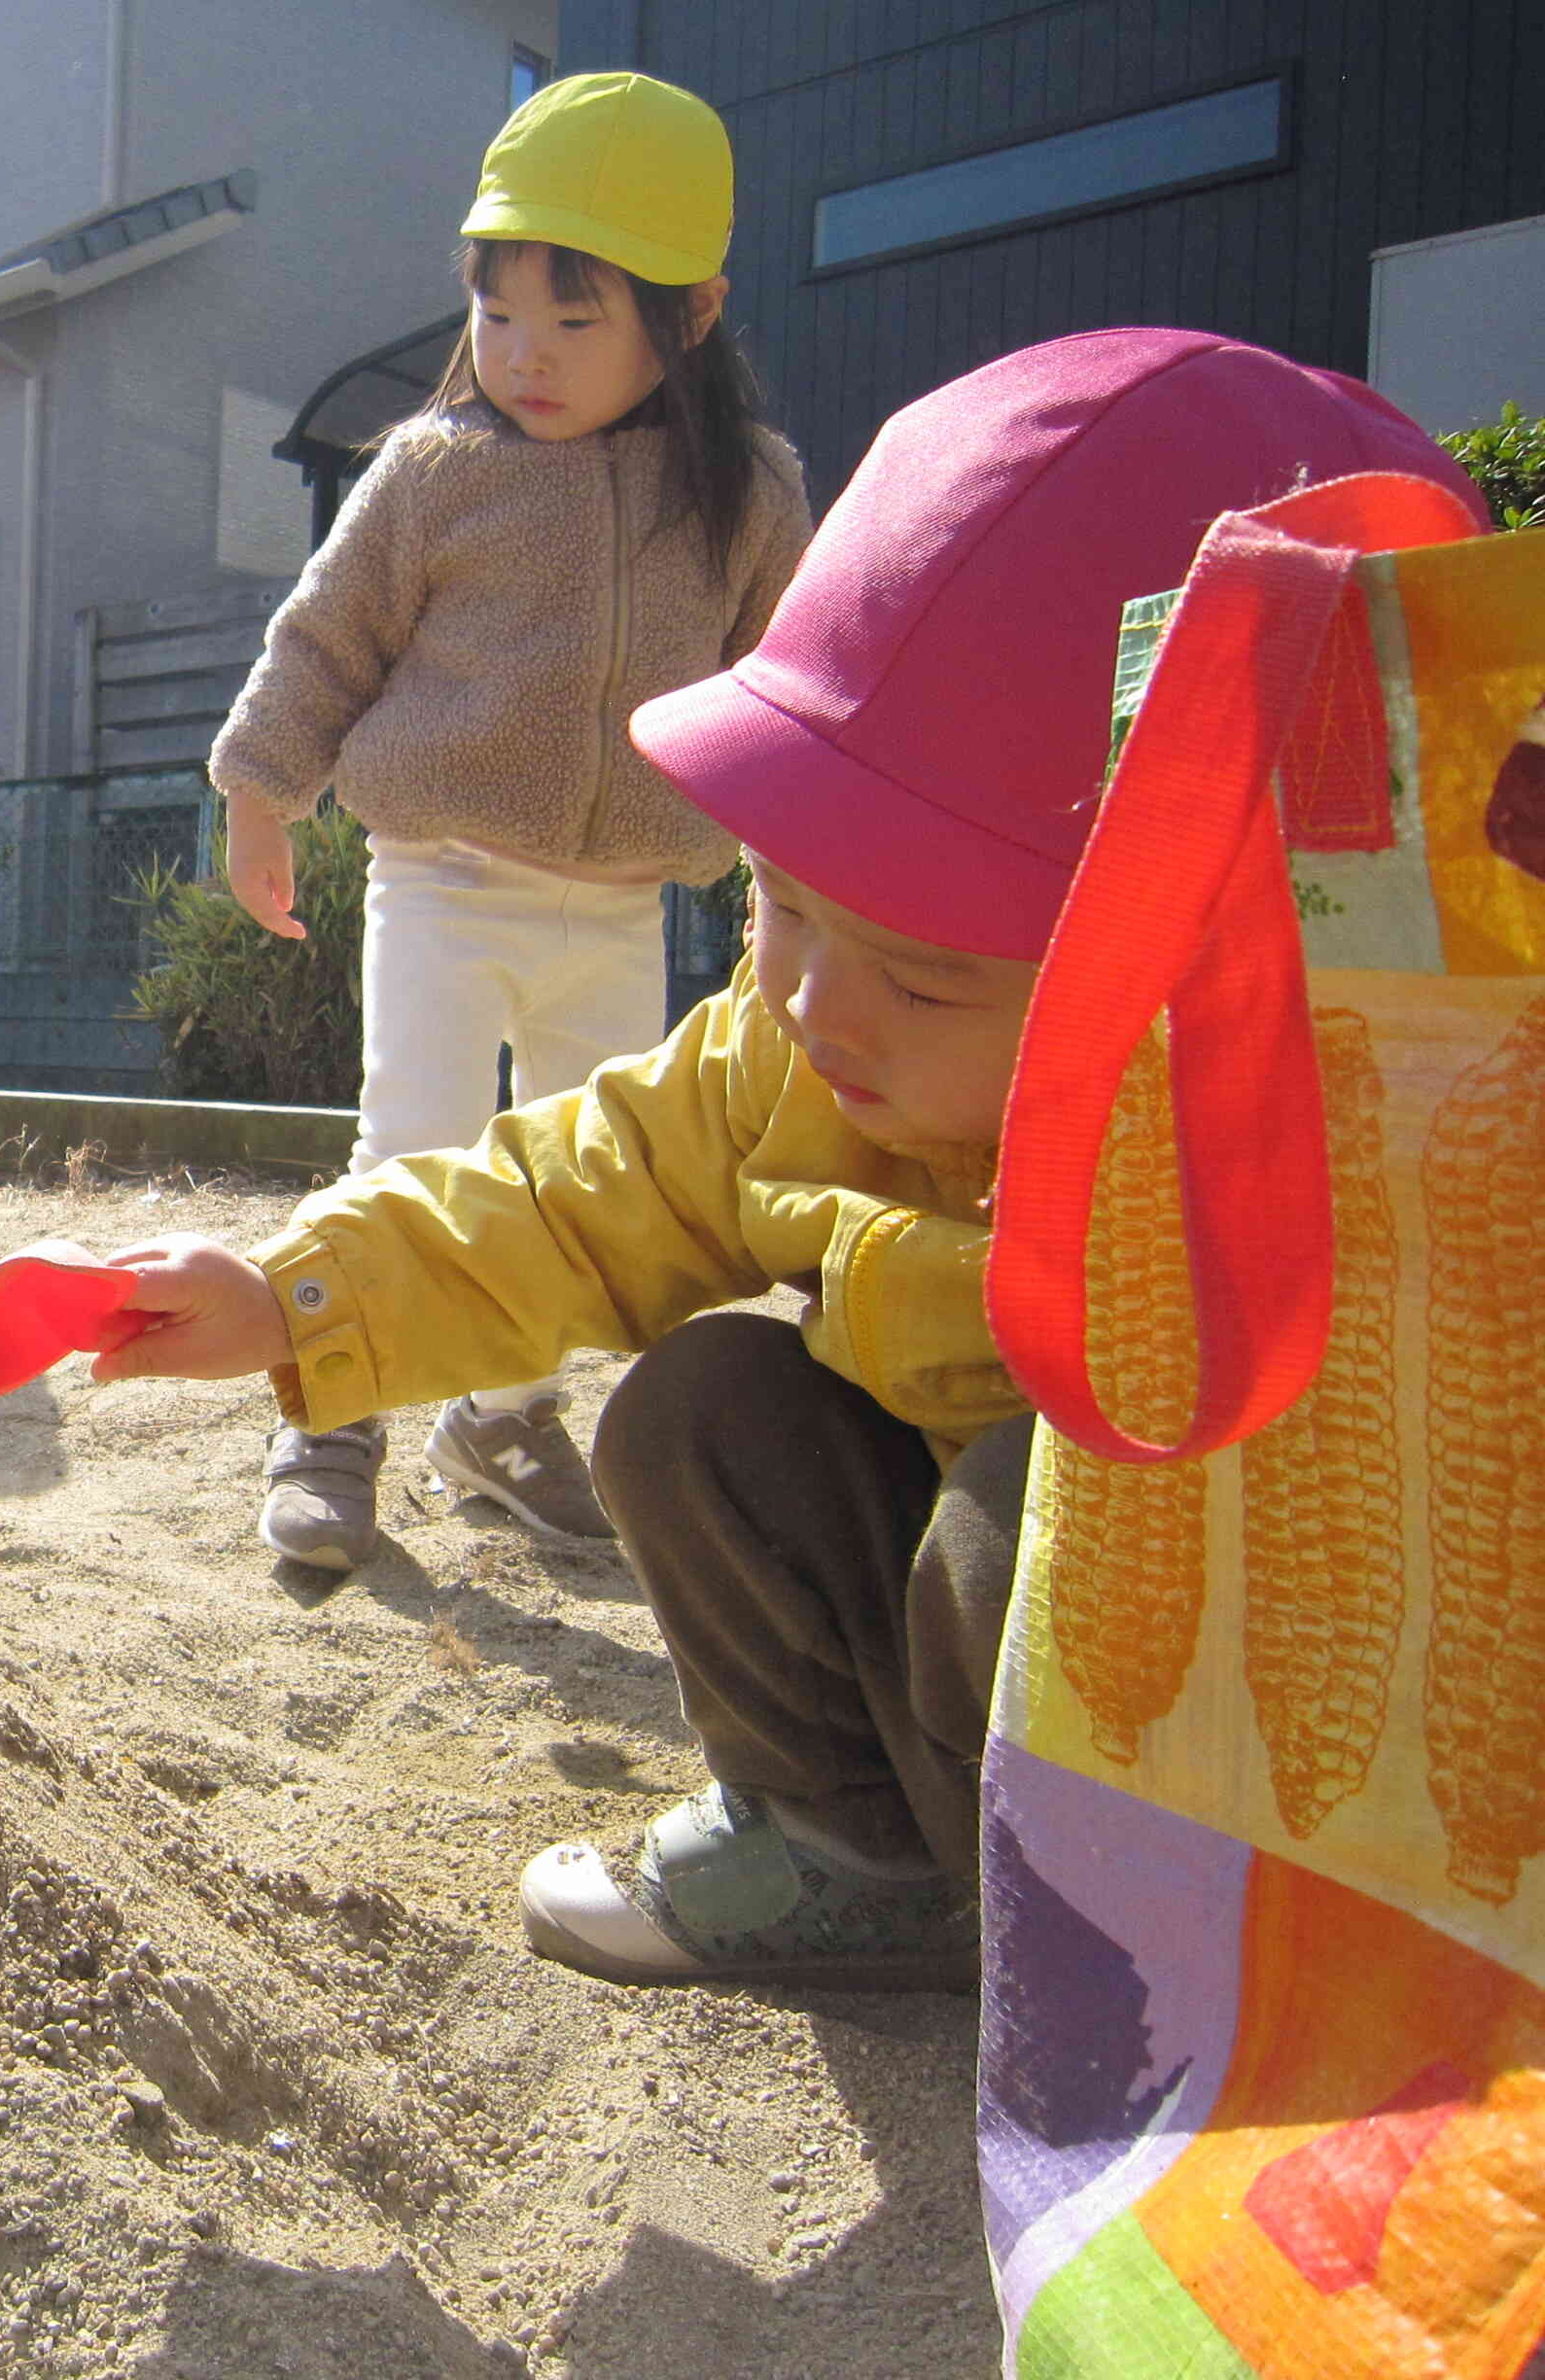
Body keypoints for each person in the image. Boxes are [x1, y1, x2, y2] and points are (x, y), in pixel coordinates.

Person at [90, 329, 1479, 1990]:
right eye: (782, 897)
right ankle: (861, 1849)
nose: (816, 994)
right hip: (972, 1678)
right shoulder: (791, 1050)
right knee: (701, 1411)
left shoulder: (1346, 1131)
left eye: (925, 970)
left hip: (1268, 1770)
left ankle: (1119, 1967)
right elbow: (570, 1190)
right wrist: (286, 1291)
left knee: (1023, 1506)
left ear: (1200, 983)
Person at [205, 71, 815, 1569]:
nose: (523, 352)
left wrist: (798, 874)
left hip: (617, 900)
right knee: (413, 1139)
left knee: (576, 1183)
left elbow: (793, 685)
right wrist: (257, 786)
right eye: (496, 308)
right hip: (444, 876)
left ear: (693, 311)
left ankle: (498, 1418)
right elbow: (325, 636)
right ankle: (328, 1412)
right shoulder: (435, 473)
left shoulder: (744, 495)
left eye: (575, 313)